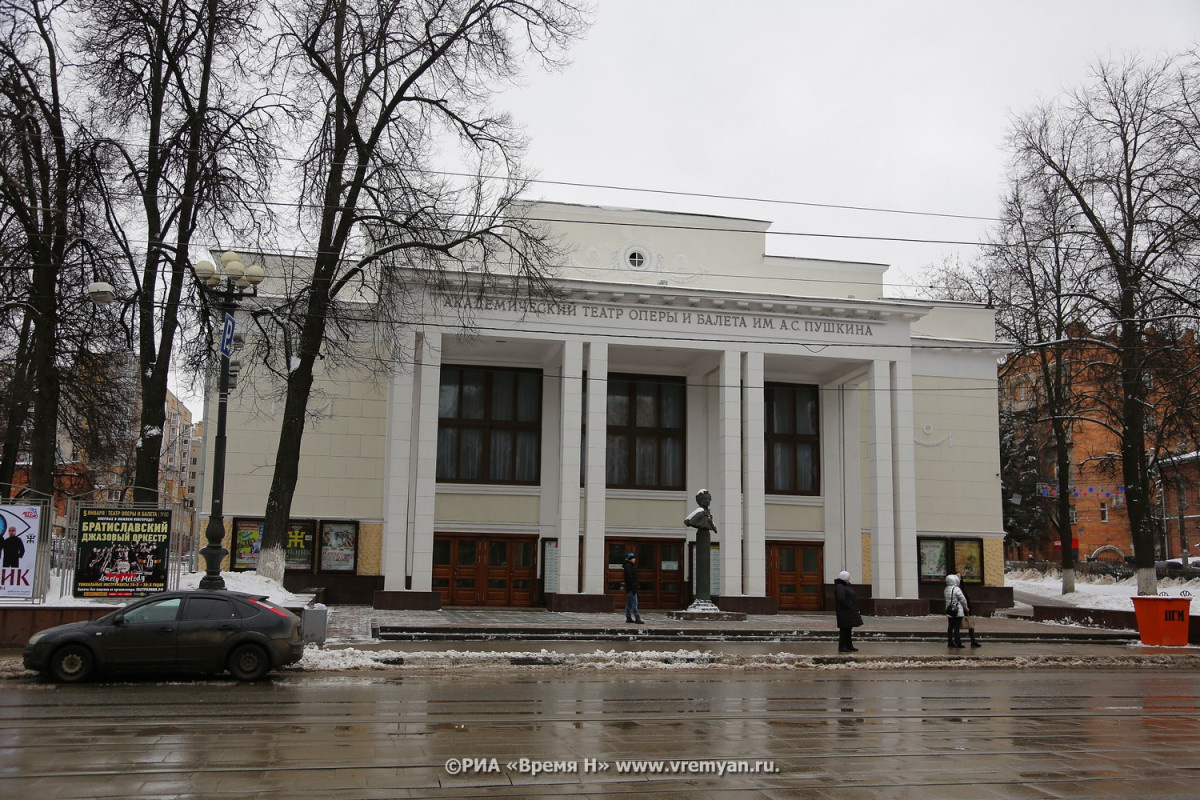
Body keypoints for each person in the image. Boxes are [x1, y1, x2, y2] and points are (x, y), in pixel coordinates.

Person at [833, 570, 863, 652]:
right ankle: (842, 646)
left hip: (848, 612)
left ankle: (849, 645)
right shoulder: (840, 586)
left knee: (848, 629)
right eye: (848, 577)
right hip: (844, 612)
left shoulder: (844, 586)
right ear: (845, 578)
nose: (850, 578)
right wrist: (848, 606)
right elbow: (841, 598)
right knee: (844, 629)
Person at [944, 574, 969, 648]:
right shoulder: (957, 589)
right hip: (957, 610)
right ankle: (958, 643)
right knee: (956, 628)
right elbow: (963, 599)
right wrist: (965, 607)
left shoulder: (946, 589)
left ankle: (950, 642)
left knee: (950, 627)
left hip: (949, 610)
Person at [622, 553, 644, 624]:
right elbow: (630, 578)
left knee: (629, 604)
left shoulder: (628, 566)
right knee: (634, 603)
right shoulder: (629, 566)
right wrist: (634, 586)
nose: (635, 560)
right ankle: (637, 618)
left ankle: (628, 617)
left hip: (630, 588)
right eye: (634, 558)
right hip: (631, 588)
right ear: (631, 559)